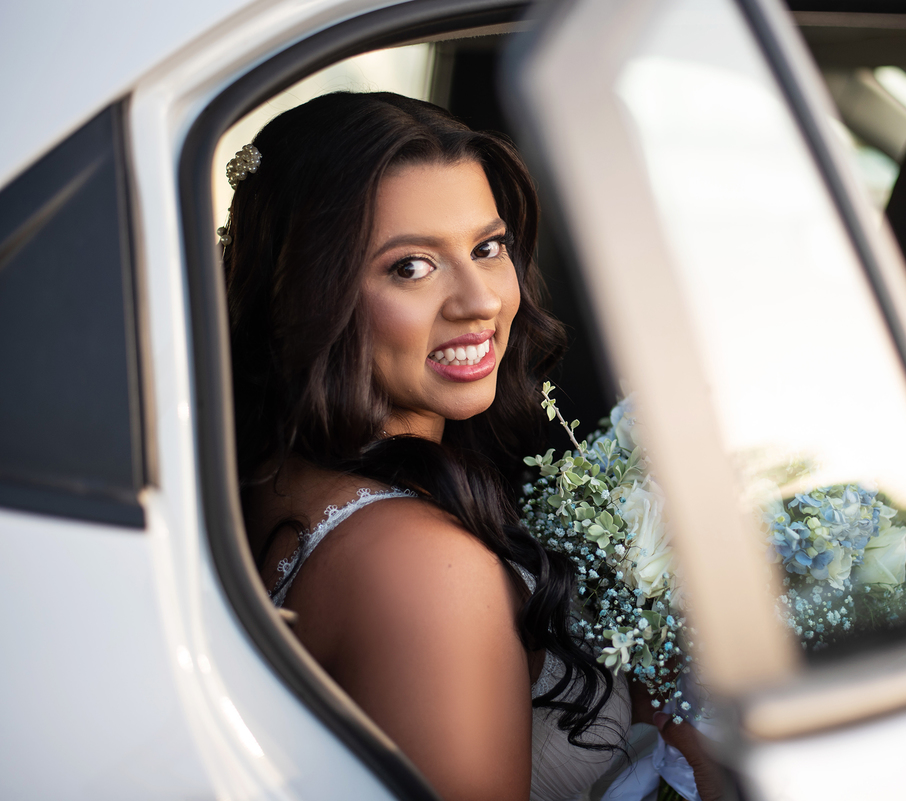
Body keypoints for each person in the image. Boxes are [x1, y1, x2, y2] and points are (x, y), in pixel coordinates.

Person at [224, 91, 719, 801]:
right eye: (411, 266)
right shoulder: (428, 570)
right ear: (306, 293)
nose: (480, 300)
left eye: (487, 248)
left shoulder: (265, 474)